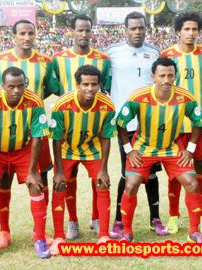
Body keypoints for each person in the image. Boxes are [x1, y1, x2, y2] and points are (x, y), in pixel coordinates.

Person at [0, 19, 58, 248]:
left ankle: (40, 232)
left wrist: (30, 110)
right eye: (22, 33)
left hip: (34, 131)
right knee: (1, 182)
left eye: (31, 33)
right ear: (14, 36)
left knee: (40, 178)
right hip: (3, 133)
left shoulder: (46, 61)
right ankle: (3, 232)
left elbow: (53, 89)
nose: (27, 37)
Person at [117, 57, 202, 243]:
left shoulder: (185, 97)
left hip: (171, 147)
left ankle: (193, 231)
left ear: (176, 76)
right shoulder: (138, 97)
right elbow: (120, 123)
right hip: (143, 147)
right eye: (162, 75)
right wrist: (129, 150)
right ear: (153, 76)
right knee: (131, 185)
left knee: (192, 183)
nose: (166, 80)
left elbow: (199, 123)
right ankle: (127, 232)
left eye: (170, 75)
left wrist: (190, 149)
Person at [106, 11, 168, 238]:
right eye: (133, 28)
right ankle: (119, 221)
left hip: (150, 124)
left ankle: (155, 219)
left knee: (151, 174)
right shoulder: (112, 53)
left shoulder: (153, 52)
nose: (138, 31)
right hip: (125, 125)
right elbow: (105, 83)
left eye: (141, 27)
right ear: (125, 30)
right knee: (127, 173)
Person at [0, 67, 50, 261]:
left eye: (20, 85)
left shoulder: (35, 101)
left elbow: (37, 137)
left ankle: (39, 238)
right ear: (3, 86)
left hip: (23, 150)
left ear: (25, 83)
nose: (17, 90)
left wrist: (32, 172)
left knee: (36, 187)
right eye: (11, 86)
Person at [52, 14, 112, 239]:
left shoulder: (103, 60)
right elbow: (53, 85)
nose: (84, 34)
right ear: (72, 31)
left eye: (88, 30)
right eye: (80, 30)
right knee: (67, 180)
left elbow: (103, 87)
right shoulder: (57, 59)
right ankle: (72, 222)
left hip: (92, 132)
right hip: (67, 127)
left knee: (100, 178)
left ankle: (98, 221)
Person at [49, 65, 116, 255]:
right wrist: (59, 171)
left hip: (92, 148)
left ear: (99, 84)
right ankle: (62, 233)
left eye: (94, 84)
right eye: (85, 84)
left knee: (102, 184)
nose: (89, 88)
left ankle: (103, 235)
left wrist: (103, 169)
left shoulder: (107, 105)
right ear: (77, 84)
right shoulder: (62, 105)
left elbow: (106, 137)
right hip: (66, 149)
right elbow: (55, 139)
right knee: (61, 185)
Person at [161, 12, 202, 236]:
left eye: (195, 29)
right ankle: (174, 216)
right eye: (187, 29)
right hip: (175, 124)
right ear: (178, 31)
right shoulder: (168, 55)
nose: (191, 33)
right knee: (175, 173)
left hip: (201, 124)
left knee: (201, 169)